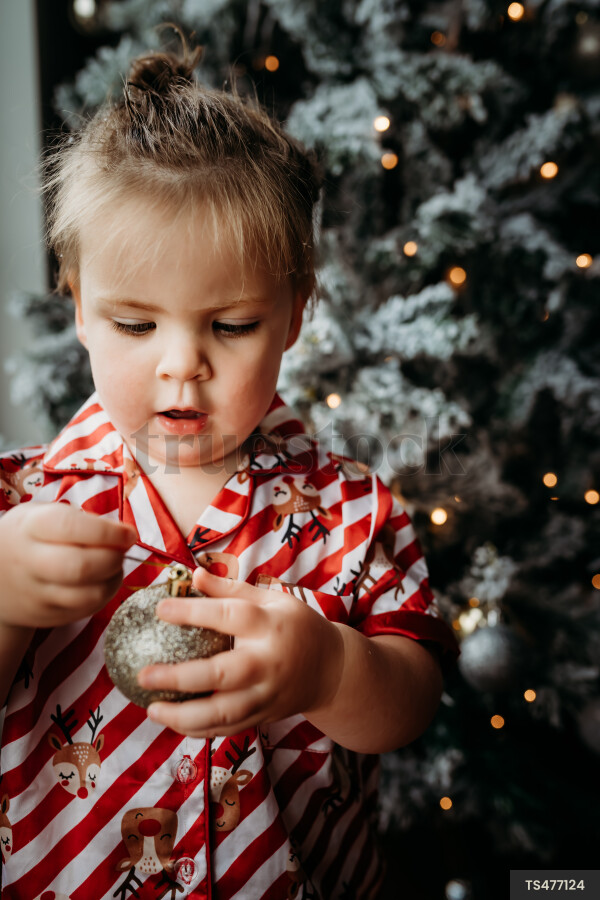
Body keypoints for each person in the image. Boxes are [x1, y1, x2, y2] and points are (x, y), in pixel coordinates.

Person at [0, 34, 459, 900]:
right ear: (81, 310)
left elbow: (411, 705)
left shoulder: (350, 512)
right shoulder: (14, 506)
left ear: (294, 313)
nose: (182, 365)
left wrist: (328, 669)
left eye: (233, 325)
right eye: (136, 325)